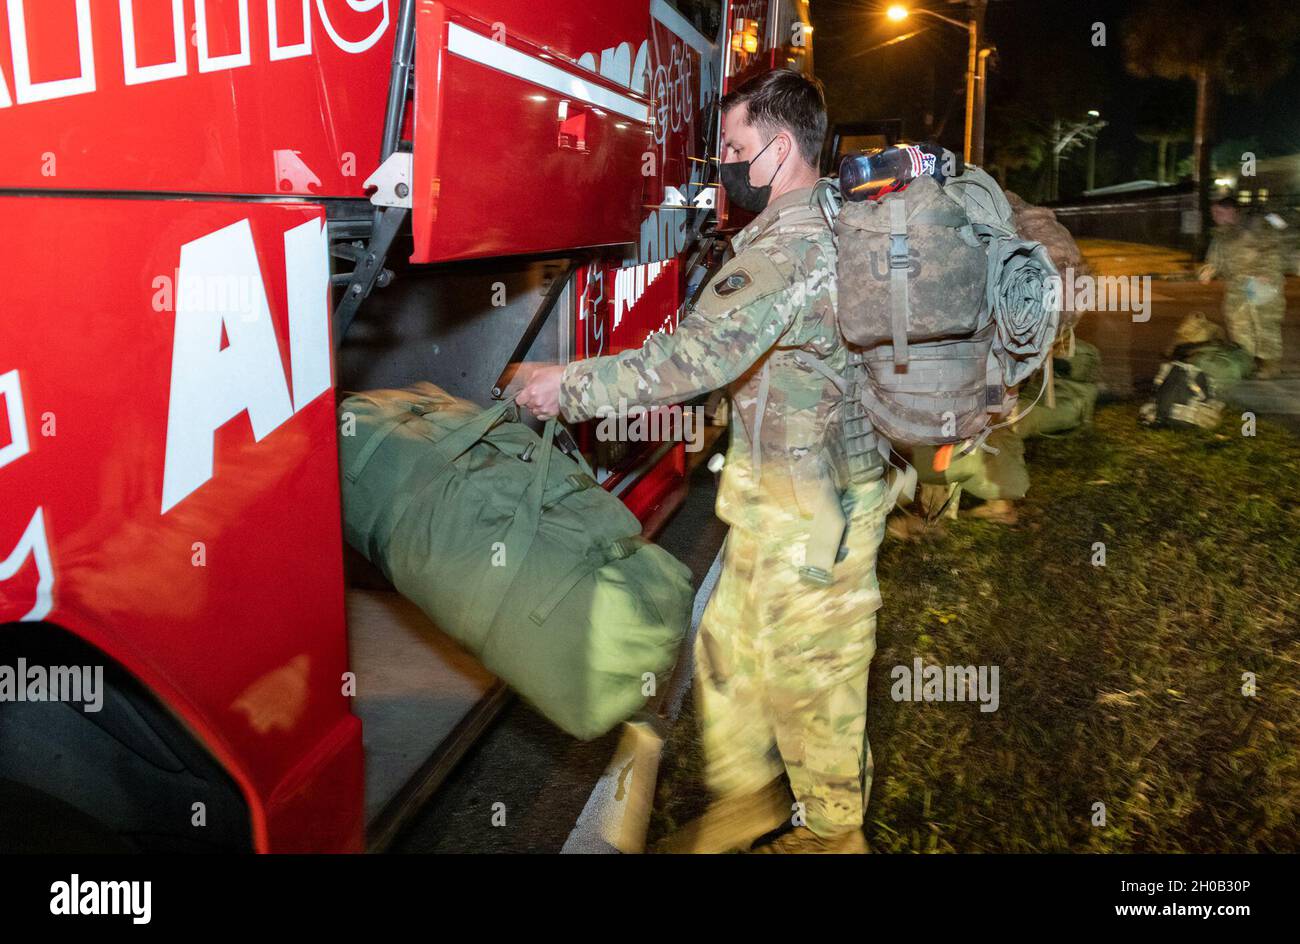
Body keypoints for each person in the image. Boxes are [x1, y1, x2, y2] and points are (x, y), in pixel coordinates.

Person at [514, 69, 888, 854]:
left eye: (734, 147)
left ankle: (832, 838)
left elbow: (691, 361)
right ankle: (748, 799)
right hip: (783, 498)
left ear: (779, 149)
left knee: (814, 674)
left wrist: (564, 386)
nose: (724, 163)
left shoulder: (789, 247)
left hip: (817, 514)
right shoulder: (831, 220)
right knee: (727, 651)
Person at [1201, 196, 1287, 379]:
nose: (1215, 217)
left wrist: (1267, 273)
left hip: (1261, 282)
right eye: (1213, 213)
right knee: (1239, 326)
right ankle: (1246, 363)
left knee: (1265, 325)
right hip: (1236, 287)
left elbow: (1273, 250)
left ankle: (1270, 365)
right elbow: (1214, 259)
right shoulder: (1221, 235)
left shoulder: (1254, 225)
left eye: (1219, 212)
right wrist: (1208, 270)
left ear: (1232, 211)